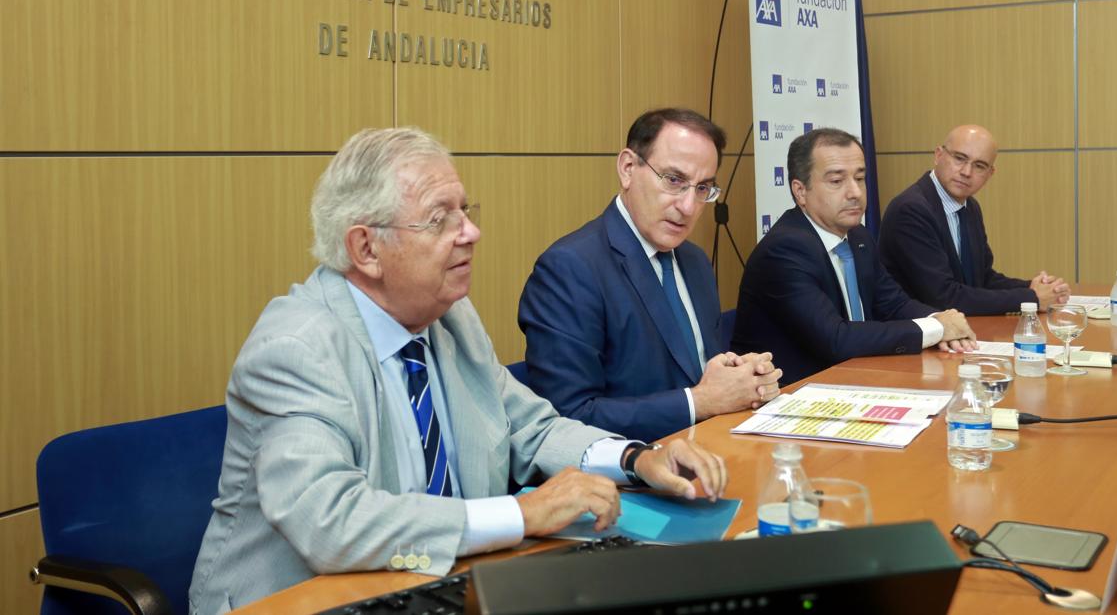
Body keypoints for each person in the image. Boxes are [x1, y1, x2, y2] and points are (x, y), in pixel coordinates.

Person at [189, 128, 727, 614]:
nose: (471, 232)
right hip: (302, 600)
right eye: (441, 219)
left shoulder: (450, 318)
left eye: (465, 211)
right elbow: (331, 521)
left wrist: (638, 458)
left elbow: (532, 428)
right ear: (366, 248)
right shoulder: (297, 346)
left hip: (433, 583)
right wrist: (521, 515)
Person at [518, 108, 782, 442]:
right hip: (629, 477)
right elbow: (568, 418)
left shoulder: (695, 262)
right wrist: (699, 401)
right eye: (674, 181)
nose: (688, 206)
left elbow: (697, 373)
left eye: (703, 188)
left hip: (709, 452)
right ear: (628, 168)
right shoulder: (569, 268)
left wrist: (742, 378)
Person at [732, 128, 977, 384]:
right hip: (792, 395)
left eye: (859, 178)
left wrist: (940, 319)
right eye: (837, 181)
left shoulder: (858, 236)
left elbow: (894, 304)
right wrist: (937, 329)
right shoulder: (784, 250)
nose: (855, 193)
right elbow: (836, 339)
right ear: (800, 191)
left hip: (853, 381)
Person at [879, 124, 1071, 315]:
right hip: (917, 335)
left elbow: (983, 279)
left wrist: (1036, 287)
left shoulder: (970, 207)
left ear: (990, 174)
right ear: (938, 155)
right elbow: (944, 297)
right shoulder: (911, 210)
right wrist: (1032, 299)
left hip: (960, 332)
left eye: (979, 166)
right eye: (960, 158)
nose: (966, 172)